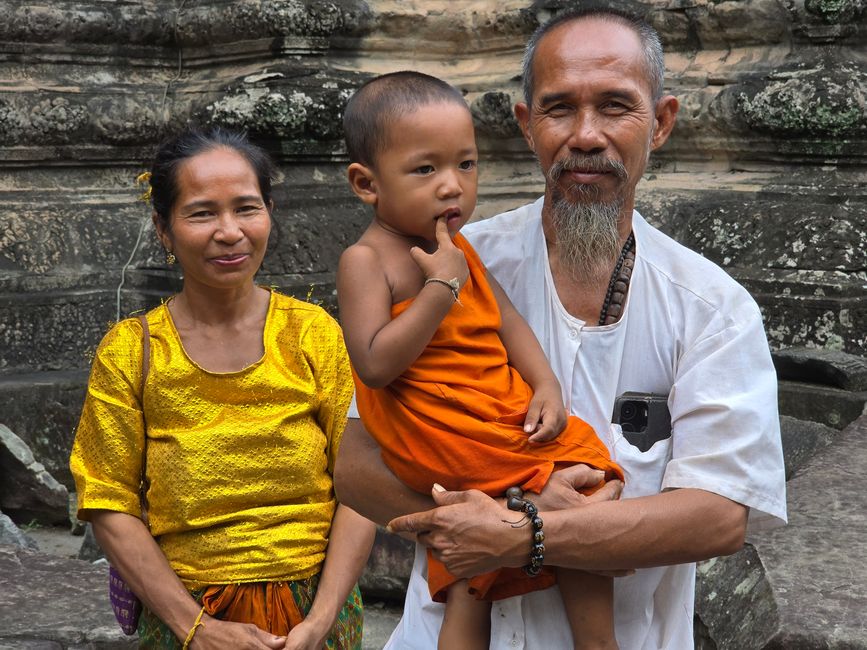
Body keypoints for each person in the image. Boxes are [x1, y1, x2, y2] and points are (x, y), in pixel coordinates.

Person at [334, 7, 787, 650]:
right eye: (558, 109)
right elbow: (355, 468)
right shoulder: (444, 265)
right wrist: (494, 517)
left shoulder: (712, 308)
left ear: (660, 123)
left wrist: (523, 532)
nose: (586, 135)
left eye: (614, 107)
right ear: (525, 126)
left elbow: (717, 517)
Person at [337, 71, 624, 650]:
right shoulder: (367, 261)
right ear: (367, 184)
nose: (452, 187)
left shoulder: (459, 248)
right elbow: (372, 364)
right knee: (590, 480)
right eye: (426, 170)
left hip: (485, 415)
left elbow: (506, 321)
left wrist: (545, 386)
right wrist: (439, 290)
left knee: (474, 567)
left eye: (465, 165)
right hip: (441, 432)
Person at [69, 126, 375, 650]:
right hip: (186, 617)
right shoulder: (132, 352)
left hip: (316, 614)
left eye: (246, 208)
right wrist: (197, 630)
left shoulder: (313, 334)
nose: (229, 231)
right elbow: (106, 501)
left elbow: (362, 484)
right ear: (163, 229)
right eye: (202, 212)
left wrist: (321, 621)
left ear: (269, 212)